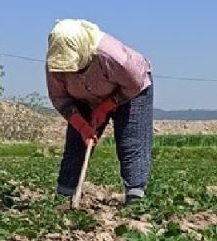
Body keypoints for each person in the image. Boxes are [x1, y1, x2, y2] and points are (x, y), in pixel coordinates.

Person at [45, 19, 153, 205]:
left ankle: (135, 198)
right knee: (76, 145)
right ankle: (64, 196)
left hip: (130, 92)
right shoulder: (55, 64)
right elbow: (60, 99)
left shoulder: (113, 57)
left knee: (131, 141)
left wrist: (106, 106)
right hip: (83, 99)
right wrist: (82, 126)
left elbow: (134, 84)